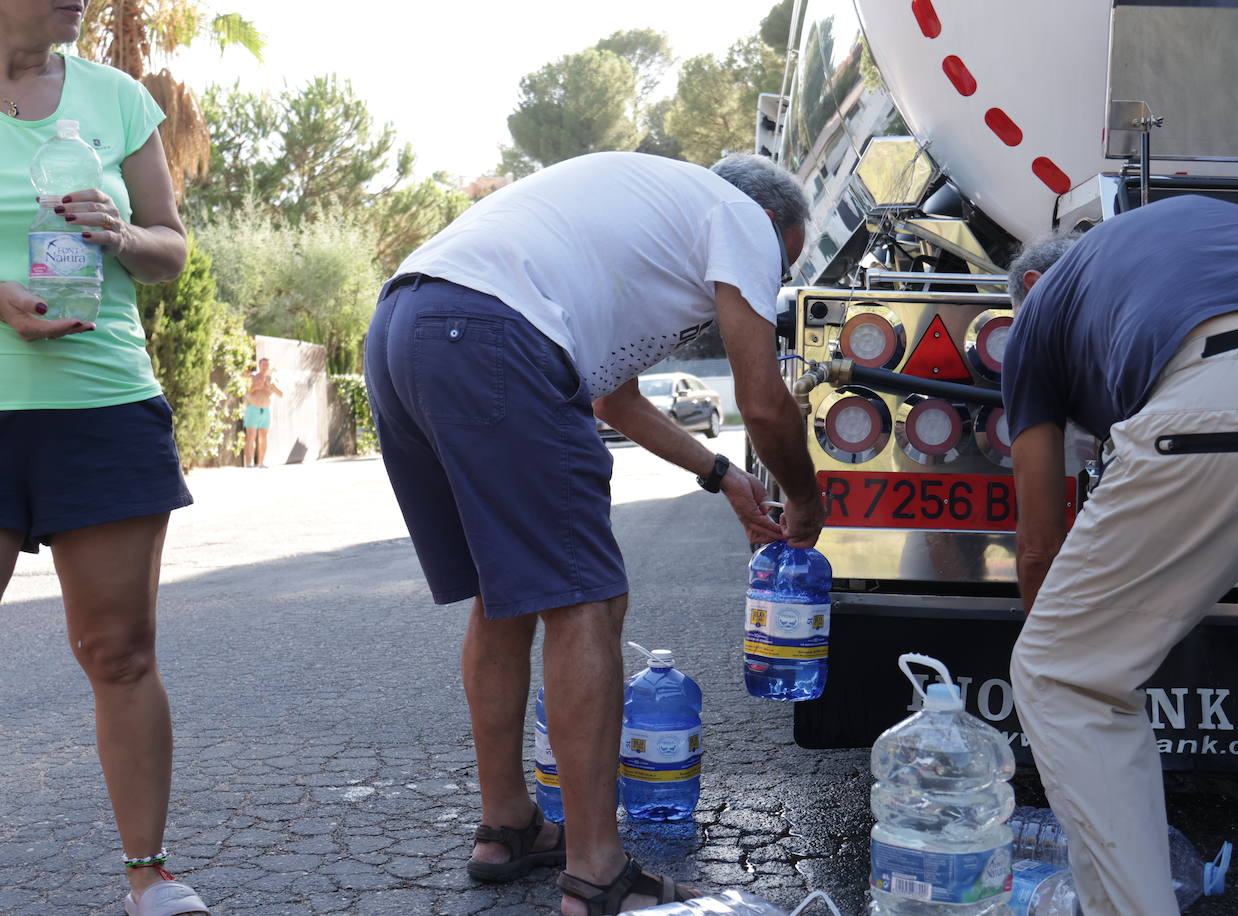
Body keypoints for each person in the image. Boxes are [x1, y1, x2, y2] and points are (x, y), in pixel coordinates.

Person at [364, 150, 825, 916]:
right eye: (781, 265)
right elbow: (767, 403)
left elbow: (615, 402)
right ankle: (596, 868)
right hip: (490, 335)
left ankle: (509, 824)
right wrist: (803, 500)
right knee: (587, 602)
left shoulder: (643, 217)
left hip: (402, 328)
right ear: (772, 225)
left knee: (502, 594)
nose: (763, 285)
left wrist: (722, 475)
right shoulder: (740, 217)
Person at [1001, 194, 1238, 915]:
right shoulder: (1180, 227)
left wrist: (1083, 635)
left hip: (1233, 396)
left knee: (1063, 675)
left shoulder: (1038, 318)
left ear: (1033, 289)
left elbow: (1040, 543)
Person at [0, 4, 209, 916]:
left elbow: (171, 248)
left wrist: (120, 236)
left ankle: (148, 875)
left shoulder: (117, 98)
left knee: (118, 651)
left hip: (103, 403)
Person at [241, 356, 283, 468]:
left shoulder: (272, 379)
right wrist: (255, 387)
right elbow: (245, 393)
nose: (265, 367)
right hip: (252, 408)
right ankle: (249, 463)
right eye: (263, 364)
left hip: (266, 410)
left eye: (267, 365)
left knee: (263, 436)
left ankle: (261, 463)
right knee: (250, 436)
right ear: (259, 365)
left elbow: (281, 394)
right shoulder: (253, 377)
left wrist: (272, 387)